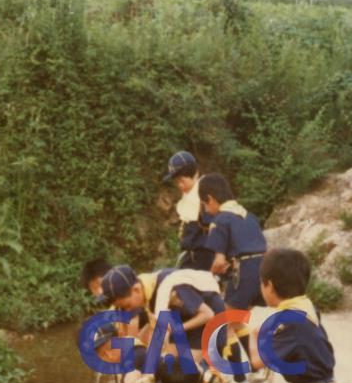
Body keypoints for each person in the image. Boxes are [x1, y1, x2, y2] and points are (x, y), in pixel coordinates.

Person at [249, 248, 343, 383]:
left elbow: (256, 362)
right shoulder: (304, 306)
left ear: (269, 285)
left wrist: (253, 338)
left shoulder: (290, 320)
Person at [100, 264, 226, 359]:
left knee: (181, 373)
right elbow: (154, 329)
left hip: (210, 322)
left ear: (136, 290)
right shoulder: (146, 291)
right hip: (185, 321)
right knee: (163, 367)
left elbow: (207, 314)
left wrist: (175, 329)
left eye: (126, 306)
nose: (127, 311)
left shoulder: (170, 287)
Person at [199, 173, 267, 309]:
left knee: (228, 320)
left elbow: (219, 261)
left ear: (209, 199)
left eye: (204, 205)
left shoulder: (220, 221)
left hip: (242, 273)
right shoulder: (250, 216)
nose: (206, 210)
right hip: (264, 270)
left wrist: (207, 277)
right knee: (255, 318)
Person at [162, 151, 215, 272]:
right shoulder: (188, 197)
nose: (180, 185)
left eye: (182, 180)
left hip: (204, 259)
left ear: (195, 174)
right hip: (190, 257)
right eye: (176, 182)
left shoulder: (204, 196)